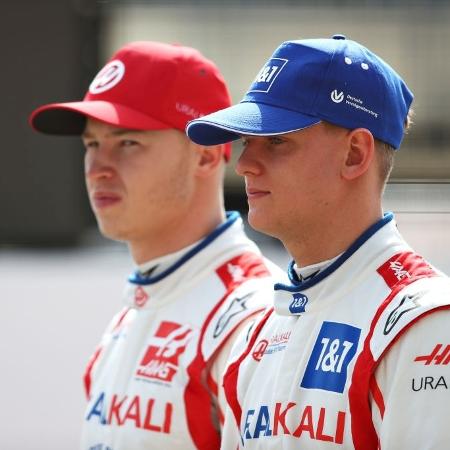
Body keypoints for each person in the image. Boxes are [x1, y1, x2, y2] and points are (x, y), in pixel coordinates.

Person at [186, 34, 450, 449]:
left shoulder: (425, 322)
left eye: (276, 141)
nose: (244, 165)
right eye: (245, 142)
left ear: (354, 155)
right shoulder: (254, 336)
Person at [29, 41, 282, 450]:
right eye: (91, 144)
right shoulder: (127, 319)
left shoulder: (256, 319)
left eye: (128, 142)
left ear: (204, 155)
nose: (98, 169)